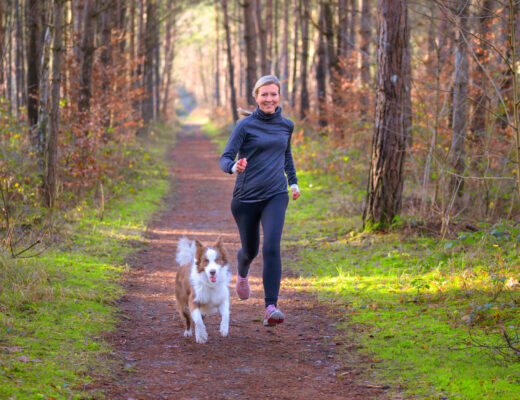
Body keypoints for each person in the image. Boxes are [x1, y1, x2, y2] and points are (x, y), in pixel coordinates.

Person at [219, 75, 300, 327]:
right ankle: (242, 273)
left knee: (272, 247)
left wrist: (293, 183)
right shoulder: (244, 126)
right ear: (256, 97)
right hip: (246, 198)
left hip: (276, 194)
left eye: (273, 94)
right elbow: (225, 158)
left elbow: (286, 156)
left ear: (279, 96)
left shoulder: (286, 126)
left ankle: (270, 307)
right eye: (264, 94)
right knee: (251, 249)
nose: (269, 99)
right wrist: (235, 167)